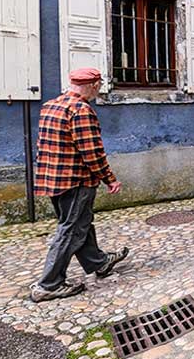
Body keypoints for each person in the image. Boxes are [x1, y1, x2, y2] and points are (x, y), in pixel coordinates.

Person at [29, 68, 129, 303]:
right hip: (76, 180)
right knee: (71, 229)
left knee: (80, 223)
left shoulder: (50, 106)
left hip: (53, 179)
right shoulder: (81, 110)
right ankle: (48, 284)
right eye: (99, 86)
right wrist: (109, 178)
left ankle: (99, 262)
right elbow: (92, 153)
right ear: (93, 86)